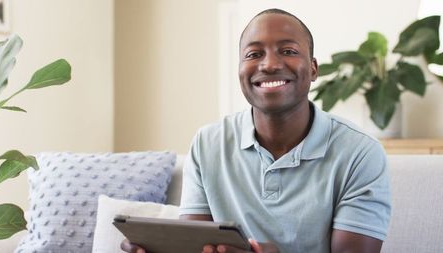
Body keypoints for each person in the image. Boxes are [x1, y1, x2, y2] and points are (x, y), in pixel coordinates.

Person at [122, 8, 391, 253]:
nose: (270, 64)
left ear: (313, 69)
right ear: (240, 71)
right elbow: (198, 246)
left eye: (288, 51)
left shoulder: (360, 153)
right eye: (253, 54)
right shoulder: (208, 143)